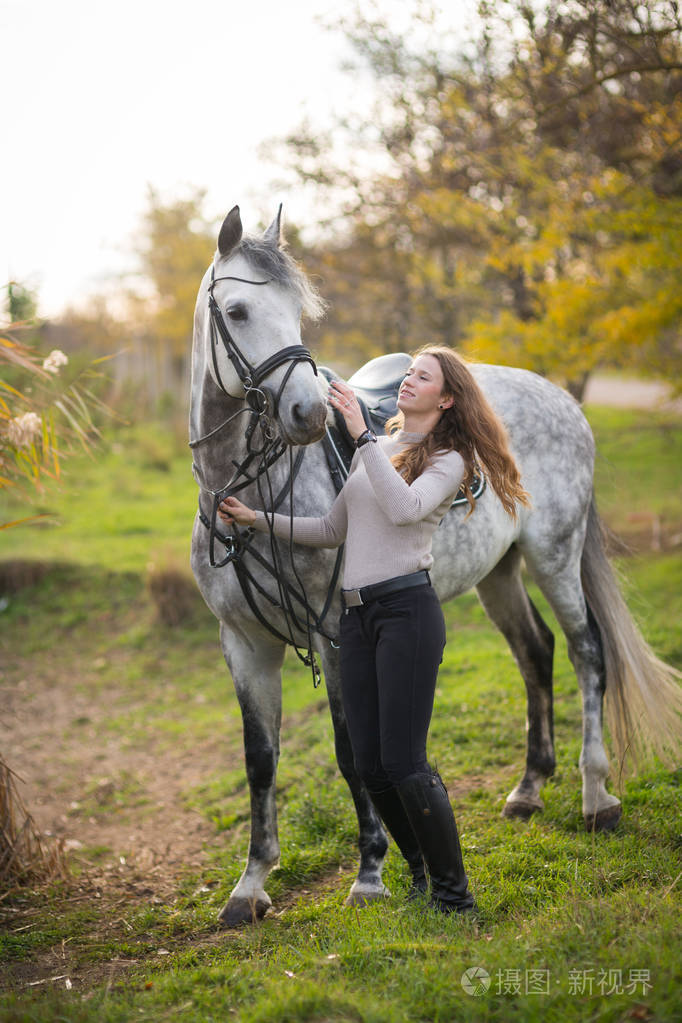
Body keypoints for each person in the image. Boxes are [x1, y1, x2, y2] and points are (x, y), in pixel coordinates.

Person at [218, 345, 530, 915]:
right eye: (408, 373)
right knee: (369, 764)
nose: (408, 381)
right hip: (355, 618)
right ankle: (419, 873)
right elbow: (331, 528)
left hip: (407, 613)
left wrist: (361, 436)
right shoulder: (380, 451)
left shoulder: (450, 460)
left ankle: (455, 896)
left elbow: (405, 508)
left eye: (423, 377)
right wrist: (256, 519)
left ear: (447, 398)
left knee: (406, 763)